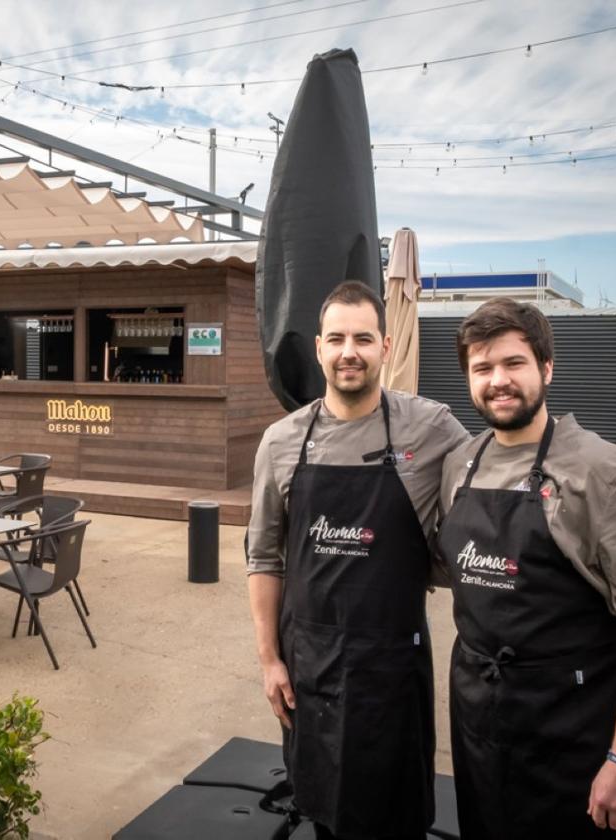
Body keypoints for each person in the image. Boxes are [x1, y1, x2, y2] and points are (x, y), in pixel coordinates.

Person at [436, 298, 616, 838]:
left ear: (546, 368)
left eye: (513, 363)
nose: (498, 381)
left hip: (573, 732)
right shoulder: (460, 465)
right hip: (480, 720)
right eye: (482, 368)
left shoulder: (601, 472)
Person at [247, 280, 470, 839]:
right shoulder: (281, 441)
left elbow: (490, 492)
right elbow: (264, 556)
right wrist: (270, 659)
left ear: (386, 347)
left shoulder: (433, 427)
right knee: (323, 809)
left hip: (393, 666)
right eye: (338, 338)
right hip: (309, 665)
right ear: (320, 347)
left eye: (364, 339)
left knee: (397, 815)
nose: (351, 351)